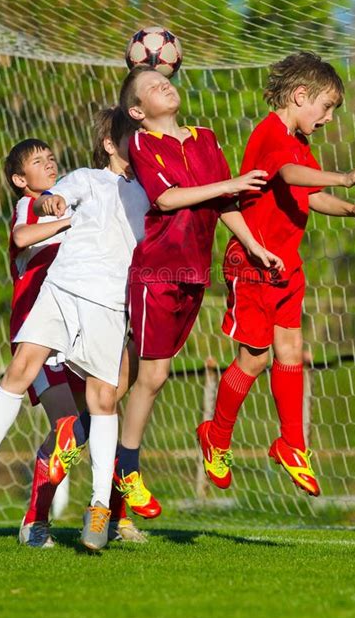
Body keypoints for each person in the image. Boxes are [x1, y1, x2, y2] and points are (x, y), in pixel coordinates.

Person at [0, 107, 150, 551]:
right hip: (50, 328)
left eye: (51, 158)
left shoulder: (128, 194)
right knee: (69, 421)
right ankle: (12, 498)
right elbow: (28, 233)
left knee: (89, 418)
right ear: (19, 179)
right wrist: (66, 213)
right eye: (38, 161)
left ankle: (105, 511)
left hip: (96, 316)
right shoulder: (39, 201)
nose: (49, 164)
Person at [196, 51, 355, 496]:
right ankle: (216, 437)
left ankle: (291, 444)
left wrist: (351, 210)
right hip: (254, 262)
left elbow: (309, 193)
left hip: (287, 266)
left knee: (292, 349)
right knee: (255, 357)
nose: (328, 118)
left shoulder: (301, 143)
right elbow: (290, 173)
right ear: (301, 96)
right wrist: (345, 178)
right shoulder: (270, 134)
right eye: (326, 107)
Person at [111, 65, 284, 504]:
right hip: (157, 272)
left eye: (165, 80)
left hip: (193, 275)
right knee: (154, 374)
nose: (164, 85)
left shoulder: (204, 137)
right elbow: (166, 198)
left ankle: (86, 427)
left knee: (137, 376)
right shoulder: (142, 143)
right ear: (137, 110)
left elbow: (226, 202)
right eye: (151, 86)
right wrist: (232, 183)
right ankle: (125, 469)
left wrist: (254, 245)